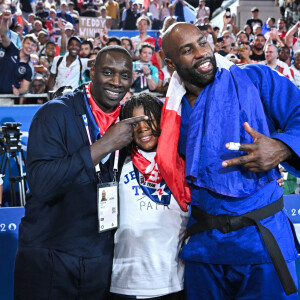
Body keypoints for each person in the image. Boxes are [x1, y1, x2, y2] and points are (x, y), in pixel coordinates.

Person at [158, 22, 300, 299]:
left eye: (202, 42)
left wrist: (281, 147)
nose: (201, 52)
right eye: (188, 50)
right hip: (204, 248)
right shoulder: (169, 112)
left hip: (262, 242)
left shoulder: (254, 79)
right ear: (171, 64)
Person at [14, 45, 148, 300]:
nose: (116, 82)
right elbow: (42, 183)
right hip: (50, 254)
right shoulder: (54, 113)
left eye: (124, 75)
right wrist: (105, 144)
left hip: (99, 257)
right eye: (108, 72)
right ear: (91, 72)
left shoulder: (128, 120)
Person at [110, 93, 188, 300]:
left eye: (149, 120)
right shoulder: (117, 163)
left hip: (173, 281)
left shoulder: (181, 161)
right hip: (125, 281)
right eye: (135, 123)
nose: (143, 128)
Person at [0, 11, 37, 100]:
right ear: (22, 43)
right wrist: (5, 20)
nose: (30, 47)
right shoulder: (12, 49)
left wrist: (19, 91)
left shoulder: (29, 67)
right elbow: (4, 35)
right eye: (28, 43)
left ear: (35, 48)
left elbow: (25, 88)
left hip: (7, 99)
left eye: (33, 45)